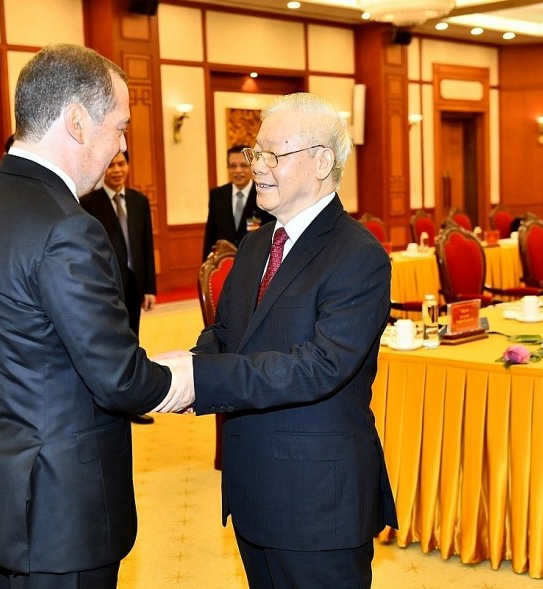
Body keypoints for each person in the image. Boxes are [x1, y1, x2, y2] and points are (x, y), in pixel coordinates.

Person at [0, 43, 193, 589]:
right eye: (120, 127)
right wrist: (185, 376)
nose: (123, 144)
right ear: (78, 122)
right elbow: (119, 378)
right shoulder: (68, 227)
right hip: (60, 509)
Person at [186, 94, 398, 588]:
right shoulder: (258, 242)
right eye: (256, 153)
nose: (256, 166)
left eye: (271, 155)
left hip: (317, 500)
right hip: (252, 488)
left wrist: (200, 379)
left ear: (322, 160)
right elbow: (226, 332)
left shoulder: (357, 255)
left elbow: (320, 365)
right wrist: (185, 369)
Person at [80, 151, 158, 425]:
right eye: (111, 164)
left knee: (132, 340)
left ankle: (130, 400)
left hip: (134, 284)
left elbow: (146, 246)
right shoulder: (88, 202)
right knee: (108, 342)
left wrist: (150, 287)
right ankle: (108, 400)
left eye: (121, 163)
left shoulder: (139, 201)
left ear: (128, 166)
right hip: (105, 285)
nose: (116, 169)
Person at [202, 144, 274, 260]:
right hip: (225, 263)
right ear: (228, 168)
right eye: (233, 166)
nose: (238, 171)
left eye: (243, 166)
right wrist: (205, 270)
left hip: (255, 260)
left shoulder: (263, 193)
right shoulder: (218, 195)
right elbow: (211, 235)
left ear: (252, 166)